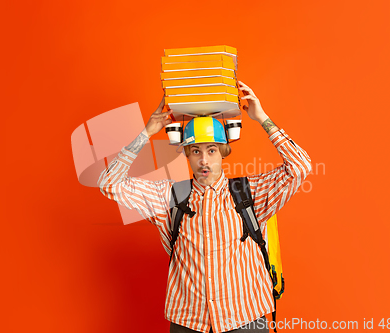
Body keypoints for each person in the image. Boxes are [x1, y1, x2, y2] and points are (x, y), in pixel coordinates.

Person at [98, 81, 312, 333]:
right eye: (195, 151)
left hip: (245, 319)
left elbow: (301, 167)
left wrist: (262, 118)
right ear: (186, 154)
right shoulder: (169, 196)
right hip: (188, 322)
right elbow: (109, 183)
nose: (203, 160)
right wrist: (146, 132)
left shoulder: (250, 193)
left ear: (223, 151)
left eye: (211, 150)